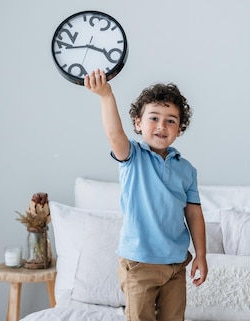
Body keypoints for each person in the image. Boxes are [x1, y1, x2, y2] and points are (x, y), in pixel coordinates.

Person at [84, 69, 208, 321]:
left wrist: (201, 256)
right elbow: (114, 135)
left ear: (180, 129)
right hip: (139, 264)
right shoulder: (132, 158)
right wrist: (106, 96)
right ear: (138, 123)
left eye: (171, 120)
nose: (162, 126)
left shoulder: (187, 170)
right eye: (153, 118)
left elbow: (194, 214)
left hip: (176, 264)